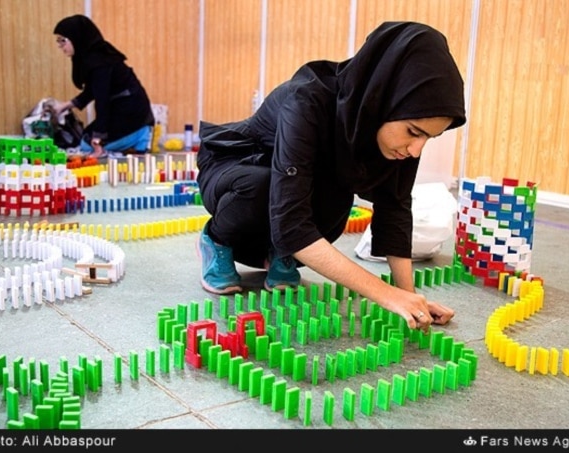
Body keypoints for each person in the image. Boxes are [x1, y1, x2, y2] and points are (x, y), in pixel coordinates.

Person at [196, 21, 466, 331]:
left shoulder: (394, 132)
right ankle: (215, 240)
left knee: (338, 197)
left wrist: (409, 298)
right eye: (414, 132)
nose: (416, 150)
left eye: (428, 138)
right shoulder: (307, 100)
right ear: (383, 102)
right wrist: (385, 295)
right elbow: (291, 222)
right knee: (262, 187)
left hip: (291, 192)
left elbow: (394, 208)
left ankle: (279, 254)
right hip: (240, 172)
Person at [51, 14, 154, 158]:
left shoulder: (99, 62)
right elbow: (91, 91)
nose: (60, 46)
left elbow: (102, 100)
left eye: (63, 41)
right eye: (58, 41)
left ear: (76, 38)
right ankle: (135, 139)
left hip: (133, 114)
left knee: (87, 144)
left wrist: (98, 140)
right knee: (86, 137)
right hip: (124, 110)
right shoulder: (94, 57)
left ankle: (139, 136)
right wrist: (65, 106)